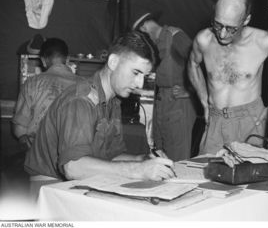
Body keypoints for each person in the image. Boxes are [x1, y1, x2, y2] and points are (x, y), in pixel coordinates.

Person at [24, 31, 175, 184]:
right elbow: (73, 167)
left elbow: (111, 157)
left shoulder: (112, 101)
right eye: (136, 73)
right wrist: (138, 171)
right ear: (113, 62)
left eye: (145, 76)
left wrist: (143, 160)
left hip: (78, 183)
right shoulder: (80, 101)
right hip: (49, 186)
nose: (140, 84)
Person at [188, 0, 268, 156]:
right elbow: (193, 64)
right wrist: (204, 102)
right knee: (203, 174)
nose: (222, 34)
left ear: (246, 20)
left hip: (250, 121)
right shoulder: (204, 40)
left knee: (250, 177)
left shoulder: (263, 41)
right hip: (215, 119)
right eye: (218, 24)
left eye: (231, 28)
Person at [130, 11, 197, 161]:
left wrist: (190, 90)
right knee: (161, 154)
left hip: (178, 104)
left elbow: (201, 62)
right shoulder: (157, 43)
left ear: (144, 27)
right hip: (161, 104)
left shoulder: (175, 36)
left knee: (178, 159)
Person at [13, 38, 82, 149]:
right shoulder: (84, 84)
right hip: (73, 154)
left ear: (43, 60)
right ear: (67, 59)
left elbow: (19, 129)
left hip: (38, 153)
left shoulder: (32, 83)